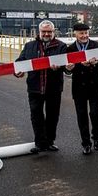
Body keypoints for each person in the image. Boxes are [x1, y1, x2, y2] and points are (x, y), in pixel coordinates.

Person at [14, 20, 67, 153]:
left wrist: (60, 68)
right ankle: (40, 143)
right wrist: (18, 71)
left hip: (53, 88)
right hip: (34, 87)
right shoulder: (29, 46)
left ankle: (50, 141)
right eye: (44, 31)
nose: (47, 34)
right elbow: (20, 62)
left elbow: (66, 68)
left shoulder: (61, 46)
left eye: (49, 31)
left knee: (52, 115)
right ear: (39, 32)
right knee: (36, 115)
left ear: (54, 32)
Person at [65, 23, 98, 155]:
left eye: (86, 33)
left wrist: (97, 63)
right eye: (81, 33)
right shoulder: (70, 49)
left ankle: (96, 137)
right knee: (81, 116)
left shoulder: (96, 46)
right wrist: (70, 68)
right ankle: (86, 143)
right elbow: (66, 68)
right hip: (79, 88)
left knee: (95, 114)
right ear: (75, 34)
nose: (84, 36)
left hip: (95, 86)